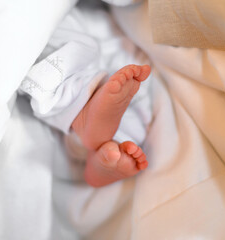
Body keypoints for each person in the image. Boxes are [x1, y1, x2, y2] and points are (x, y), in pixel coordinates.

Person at [19, 0, 153, 187]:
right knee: (69, 53)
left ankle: (102, 158)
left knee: (127, 102)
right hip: (99, 38)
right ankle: (92, 128)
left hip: (108, 37)